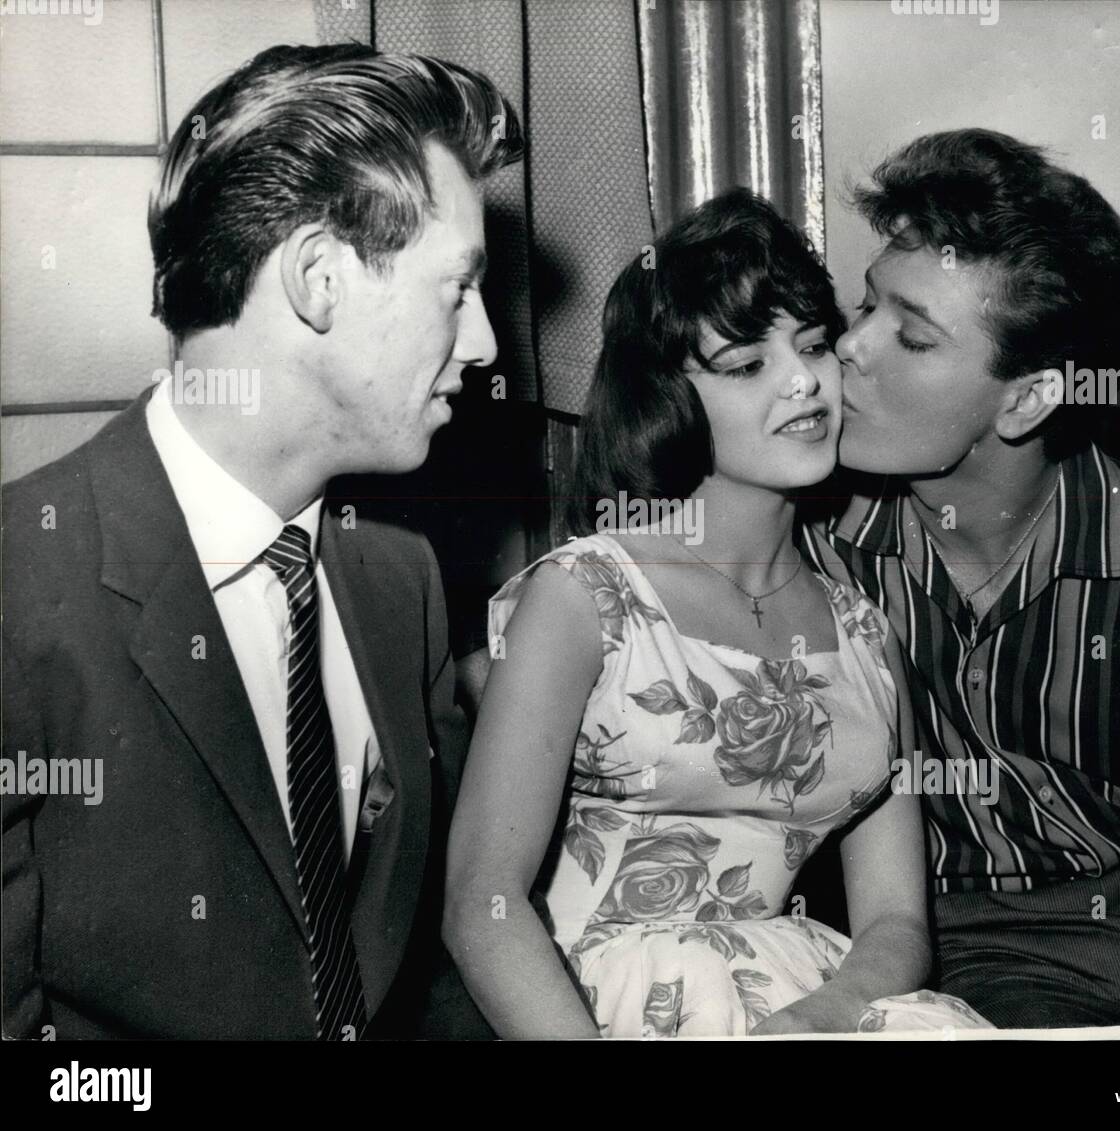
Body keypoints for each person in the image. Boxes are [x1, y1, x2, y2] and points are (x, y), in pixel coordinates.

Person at [1, 44, 521, 1040]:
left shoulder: (399, 578)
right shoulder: (19, 587)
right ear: (319, 278)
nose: (485, 343)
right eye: (458, 289)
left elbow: (428, 971)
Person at [443, 188, 989, 1038]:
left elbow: (896, 922)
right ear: (666, 398)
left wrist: (821, 1016)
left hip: (805, 996)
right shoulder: (585, 596)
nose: (803, 379)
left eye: (814, 345)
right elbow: (483, 905)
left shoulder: (867, 636)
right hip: (589, 1009)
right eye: (745, 364)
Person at [804, 129, 1120, 1028]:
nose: (851, 346)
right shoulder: (816, 552)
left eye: (910, 336)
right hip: (981, 946)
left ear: (1028, 397)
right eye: (866, 304)